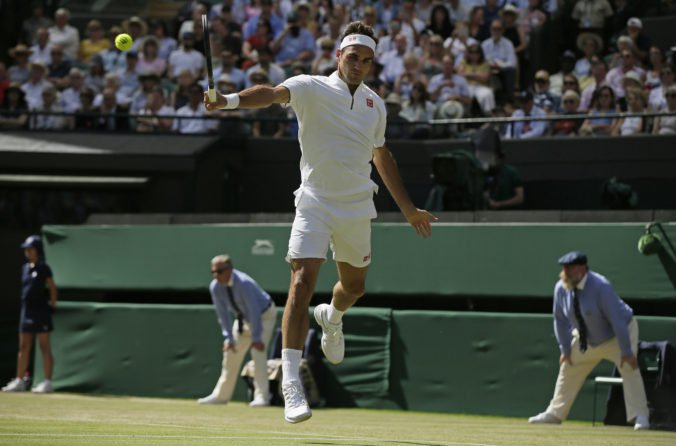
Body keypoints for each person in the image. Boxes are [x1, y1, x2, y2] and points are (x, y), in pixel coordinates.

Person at [204, 21, 437, 424]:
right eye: (353, 57)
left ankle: (332, 316)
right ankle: (290, 378)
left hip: (356, 206)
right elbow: (270, 94)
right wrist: (227, 100)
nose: (360, 65)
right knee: (301, 281)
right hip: (313, 201)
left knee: (354, 287)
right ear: (338, 56)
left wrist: (409, 209)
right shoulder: (310, 86)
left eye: (367, 60)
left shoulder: (375, 105)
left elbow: (382, 157)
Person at [528, 251, 650, 431]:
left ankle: (640, 416)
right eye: (564, 268)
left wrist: (626, 351)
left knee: (629, 367)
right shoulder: (560, 288)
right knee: (568, 367)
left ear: (583, 268)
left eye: (570, 268)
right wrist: (565, 350)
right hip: (586, 339)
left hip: (618, 334)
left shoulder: (601, 286)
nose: (566, 272)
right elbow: (560, 321)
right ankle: (555, 413)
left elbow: (617, 320)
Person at [197, 255, 276, 407]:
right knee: (230, 354)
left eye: (219, 271)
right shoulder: (215, 287)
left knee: (257, 353)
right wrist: (228, 338)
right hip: (242, 319)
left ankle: (262, 398)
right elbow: (223, 314)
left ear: (229, 270)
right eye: (213, 272)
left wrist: (256, 337)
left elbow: (254, 311)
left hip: (263, 316)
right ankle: (220, 396)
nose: (215, 275)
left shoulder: (244, 283)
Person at [2, 235, 58, 393]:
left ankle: (47, 382)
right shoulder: (25, 268)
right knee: (23, 346)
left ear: (37, 250)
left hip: (41, 311)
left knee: (44, 346)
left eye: (30, 249)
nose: (27, 252)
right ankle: (19, 380)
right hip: (26, 311)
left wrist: (52, 306)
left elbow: (52, 288)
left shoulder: (43, 267)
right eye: (26, 249)